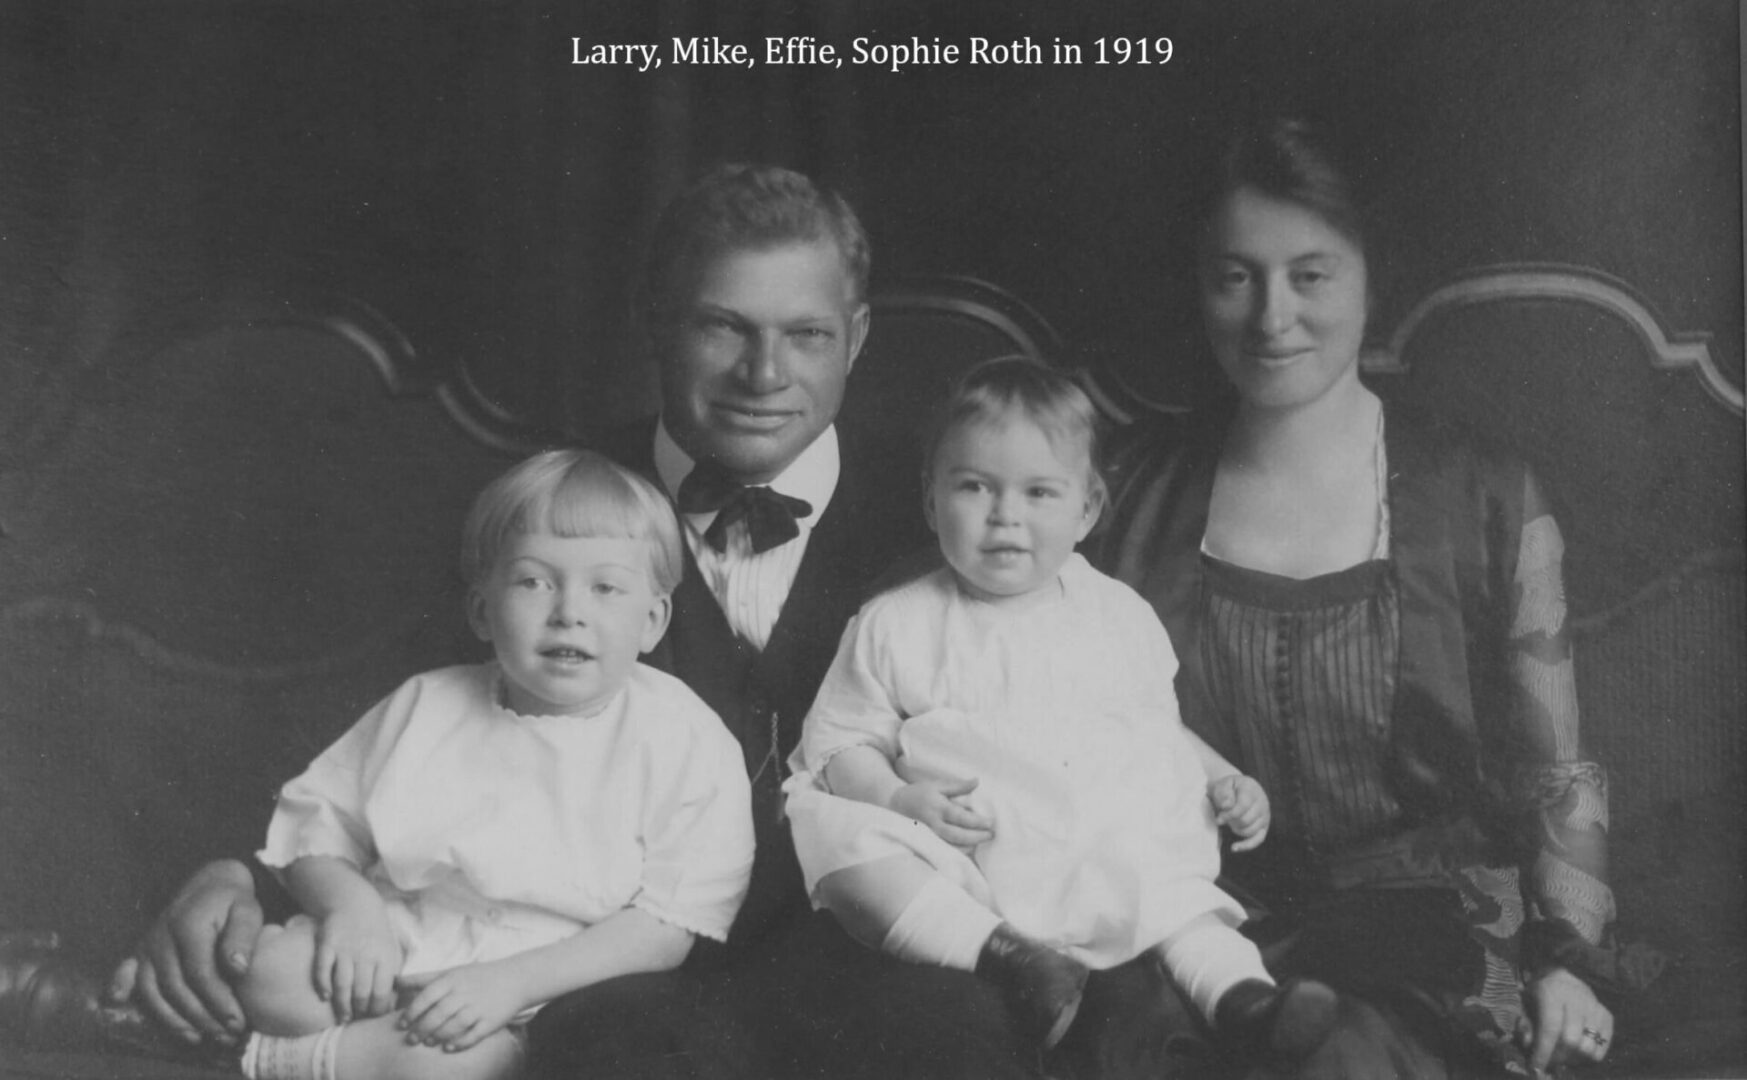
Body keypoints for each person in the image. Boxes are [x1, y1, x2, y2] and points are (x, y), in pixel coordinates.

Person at [102, 164, 1050, 1079]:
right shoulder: (541, 513)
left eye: (804, 334)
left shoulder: (948, 516)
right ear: (656, 325)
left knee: (951, 1038)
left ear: (857, 337)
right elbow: (387, 731)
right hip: (609, 972)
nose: (764, 372)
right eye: (723, 327)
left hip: (859, 948)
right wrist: (229, 871)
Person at [1097, 117, 1648, 1078]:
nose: (1271, 318)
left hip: (1427, 930)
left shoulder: (1483, 492)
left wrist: (1569, 961)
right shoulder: (1125, 494)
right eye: (1235, 276)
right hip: (1197, 924)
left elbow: (1555, 765)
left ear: (1368, 279)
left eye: (1310, 275)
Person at [783, 356, 1338, 1068]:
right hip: (971, 859)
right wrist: (900, 797)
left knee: (1177, 904)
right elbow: (840, 745)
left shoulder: (1114, 613)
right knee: (838, 839)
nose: (1005, 515)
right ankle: (1009, 959)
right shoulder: (896, 622)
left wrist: (1224, 777)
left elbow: (1154, 729)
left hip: (1102, 836)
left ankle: (1245, 1003)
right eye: (974, 487)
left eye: (1038, 492)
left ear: (1086, 511)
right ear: (930, 503)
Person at [226, 448, 753, 1080]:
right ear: (481, 610)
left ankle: (276, 1063)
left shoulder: (683, 736)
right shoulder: (428, 702)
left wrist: (509, 984)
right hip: (403, 940)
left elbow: (668, 927)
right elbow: (316, 825)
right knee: (271, 972)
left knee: (462, 1068)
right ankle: (362, 1055)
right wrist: (351, 909)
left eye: (605, 587)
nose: (569, 611)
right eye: (534, 581)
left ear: (652, 619)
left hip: (547, 984)